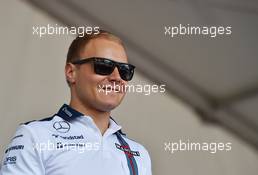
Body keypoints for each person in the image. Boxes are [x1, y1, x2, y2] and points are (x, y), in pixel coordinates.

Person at [0, 30, 152, 175]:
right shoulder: (35, 136)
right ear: (71, 72)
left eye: (125, 70)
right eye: (103, 66)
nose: (116, 77)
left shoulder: (139, 153)